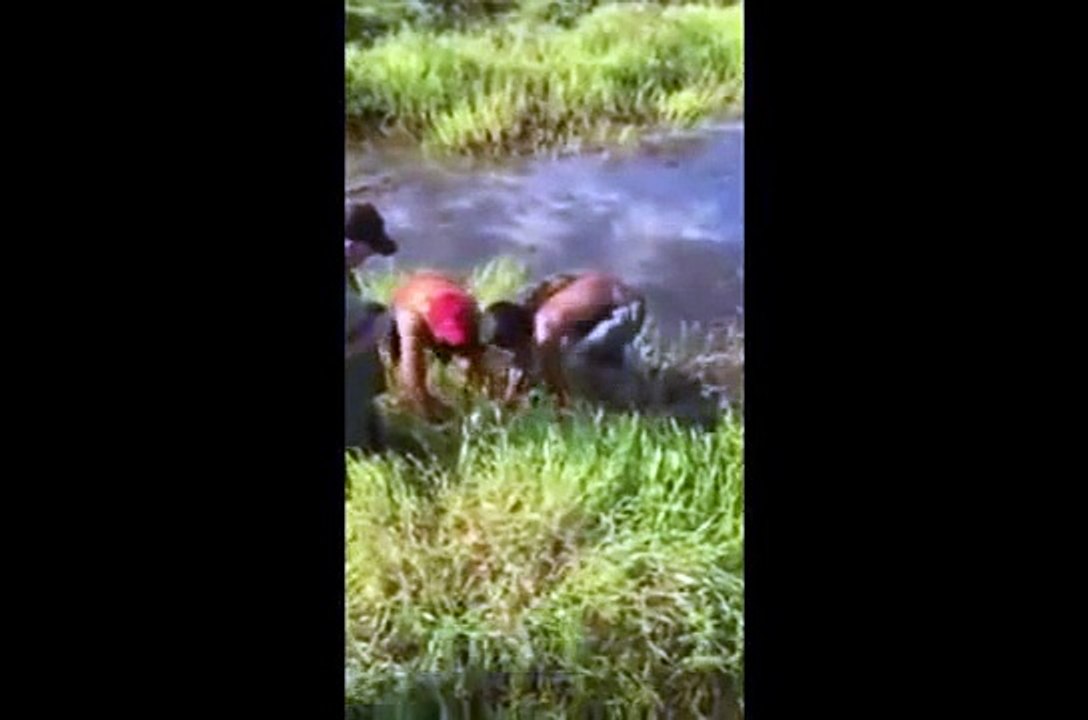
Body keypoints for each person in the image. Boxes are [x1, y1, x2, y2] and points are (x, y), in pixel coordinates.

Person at [480, 271, 645, 406]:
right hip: (607, 293)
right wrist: (511, 392)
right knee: (570, 345)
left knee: (581, 359)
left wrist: (562, 403)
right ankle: (617, 364)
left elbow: (554, 378)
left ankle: (631, 394)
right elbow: (524, 359)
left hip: (626, 307)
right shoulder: (531, 309)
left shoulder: (546, 327)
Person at [387, 271, 488, 420]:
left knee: (471, 360)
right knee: (396, 363)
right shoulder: (411, 318)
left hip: (450, 295)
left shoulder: (470, 309)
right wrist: (427, 409)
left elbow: (477, 360)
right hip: (410, 304)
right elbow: (412, 371)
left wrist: (476, 399)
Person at [345, 202, 397, 452]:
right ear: (349, 246)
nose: (368, 258)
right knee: (357, 452)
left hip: (359, 394)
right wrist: (375, 329)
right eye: (369, 250)